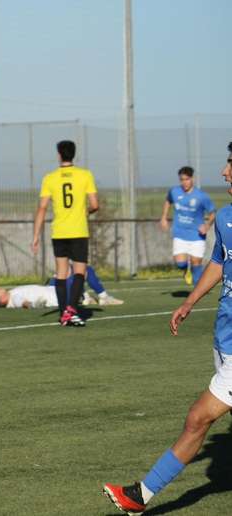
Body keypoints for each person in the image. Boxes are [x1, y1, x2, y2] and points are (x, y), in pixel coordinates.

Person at [102, 151, 232, 516]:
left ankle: (139, 496)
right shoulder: (225, 217)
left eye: (230, 165)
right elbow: (220, 263)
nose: (223, 171)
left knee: (197, 419)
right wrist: (190, 301)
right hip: (224, 339)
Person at [31, 140, 99, 327]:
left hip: (59, 232)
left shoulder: (49, 178)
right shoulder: (85, 175)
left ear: (59, 154)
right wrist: (85, 212)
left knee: (61, 272)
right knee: (79, 272)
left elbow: (42, 208)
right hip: (78, 231)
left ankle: (64, 314)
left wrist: (36, 235)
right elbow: (95, 205)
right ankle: (70, 311)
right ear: (74, 154)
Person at [159, 166, 216, 287]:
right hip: (180, 233)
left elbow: (212, 213)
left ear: (192, 179)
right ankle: (186, 271)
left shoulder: (201, 196)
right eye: (182, 179)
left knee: (196, 262)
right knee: (180, 263)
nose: (184, 182)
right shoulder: (174, 191)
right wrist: (164, 217)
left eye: (187, 179)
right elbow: (168, 201)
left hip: (197, 235)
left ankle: (198, 289)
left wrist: (207, 225)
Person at [0, 265, 123, 308]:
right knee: (85, 270)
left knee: (64, 269)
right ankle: (104, 297)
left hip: (50, 287)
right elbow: (24, 304)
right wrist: (30, 305)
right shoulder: (16, 298)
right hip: (56, 294)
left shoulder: (10, 294)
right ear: (1, 300)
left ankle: (84, 297)